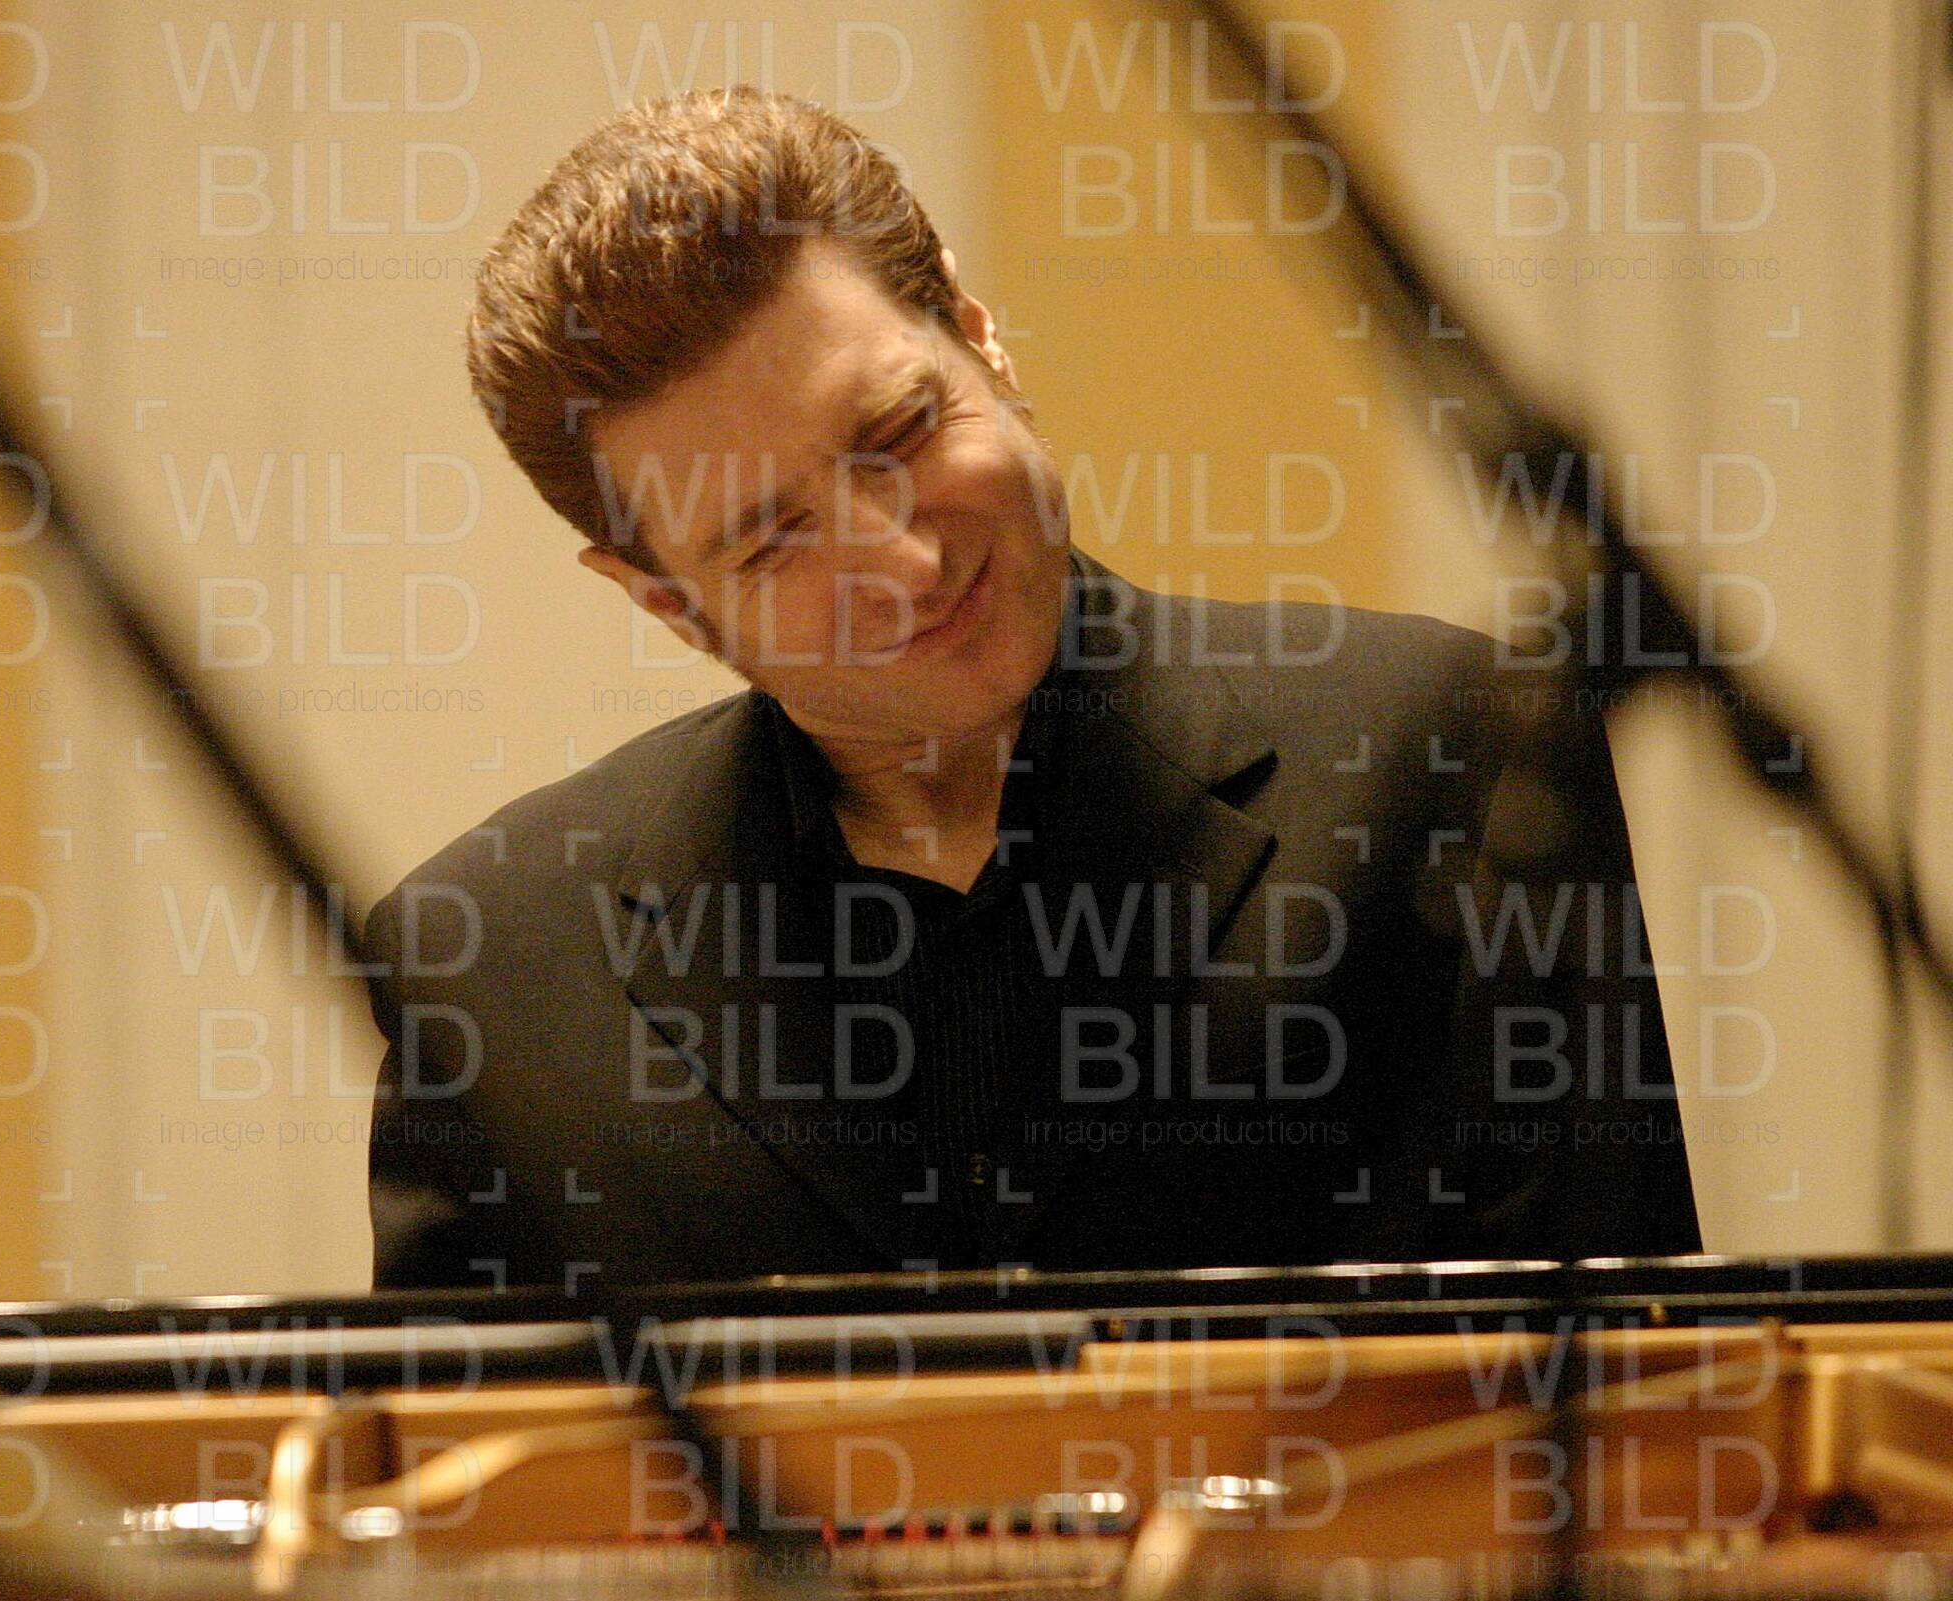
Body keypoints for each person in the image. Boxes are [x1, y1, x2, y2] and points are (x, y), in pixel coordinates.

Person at [362, 87, 1700, 1291]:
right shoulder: (481, 968)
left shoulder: (1451, 751)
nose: (903, 562)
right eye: (771, 541)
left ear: (979, 338)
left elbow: (1640, 1416)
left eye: (900, 433)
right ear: (665, 601)